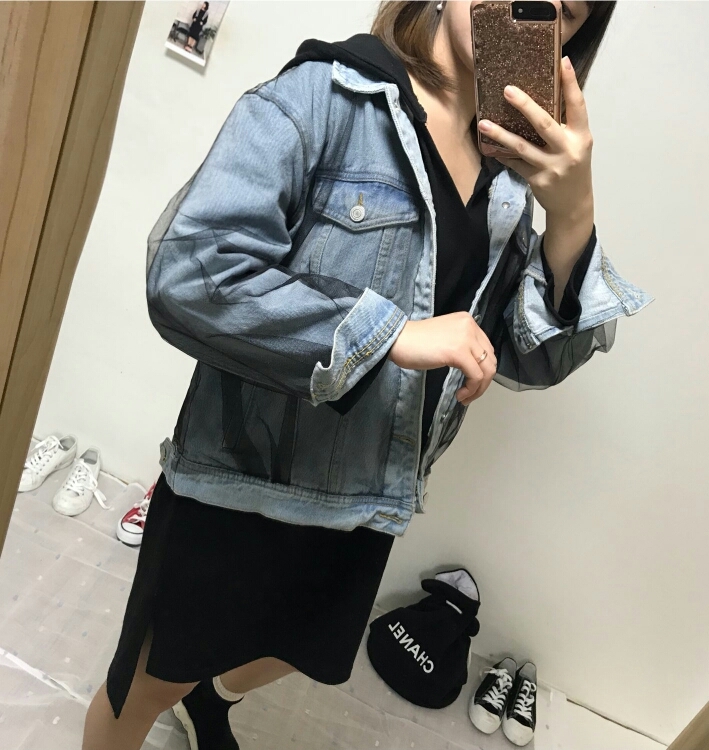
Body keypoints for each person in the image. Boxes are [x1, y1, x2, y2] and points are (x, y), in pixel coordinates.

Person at [82, 2, 651, 749]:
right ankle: (187, 697)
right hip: (241, 489)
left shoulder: (509, 178)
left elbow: (530, 357)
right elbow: (189, 274)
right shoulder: (326, 95)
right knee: (147, 685)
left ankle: (211, 702)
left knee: (289, 650)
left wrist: (572, 215)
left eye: (563, 9)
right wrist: (390, 334)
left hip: (369, 501)